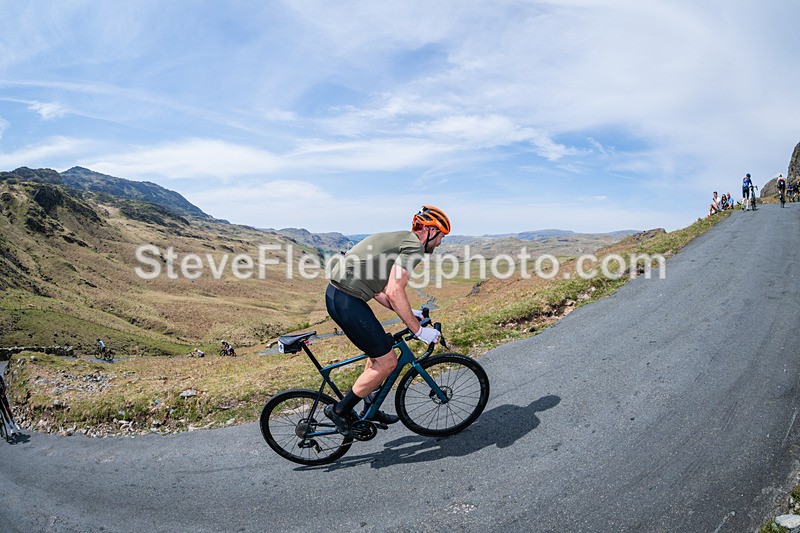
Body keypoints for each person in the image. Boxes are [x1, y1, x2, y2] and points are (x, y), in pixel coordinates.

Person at [323, 205, 450, 435]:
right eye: (441, 236)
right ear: (430, 231)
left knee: (381, 349)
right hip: (347, 301)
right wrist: (419, 332)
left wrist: (411, 315)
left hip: (340, 295)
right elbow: (394, 290)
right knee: (388, 361)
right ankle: (339, 411)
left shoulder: (400, 239)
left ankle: (371, 402)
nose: (440, 242)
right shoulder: (414, 247)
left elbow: (381, 291)